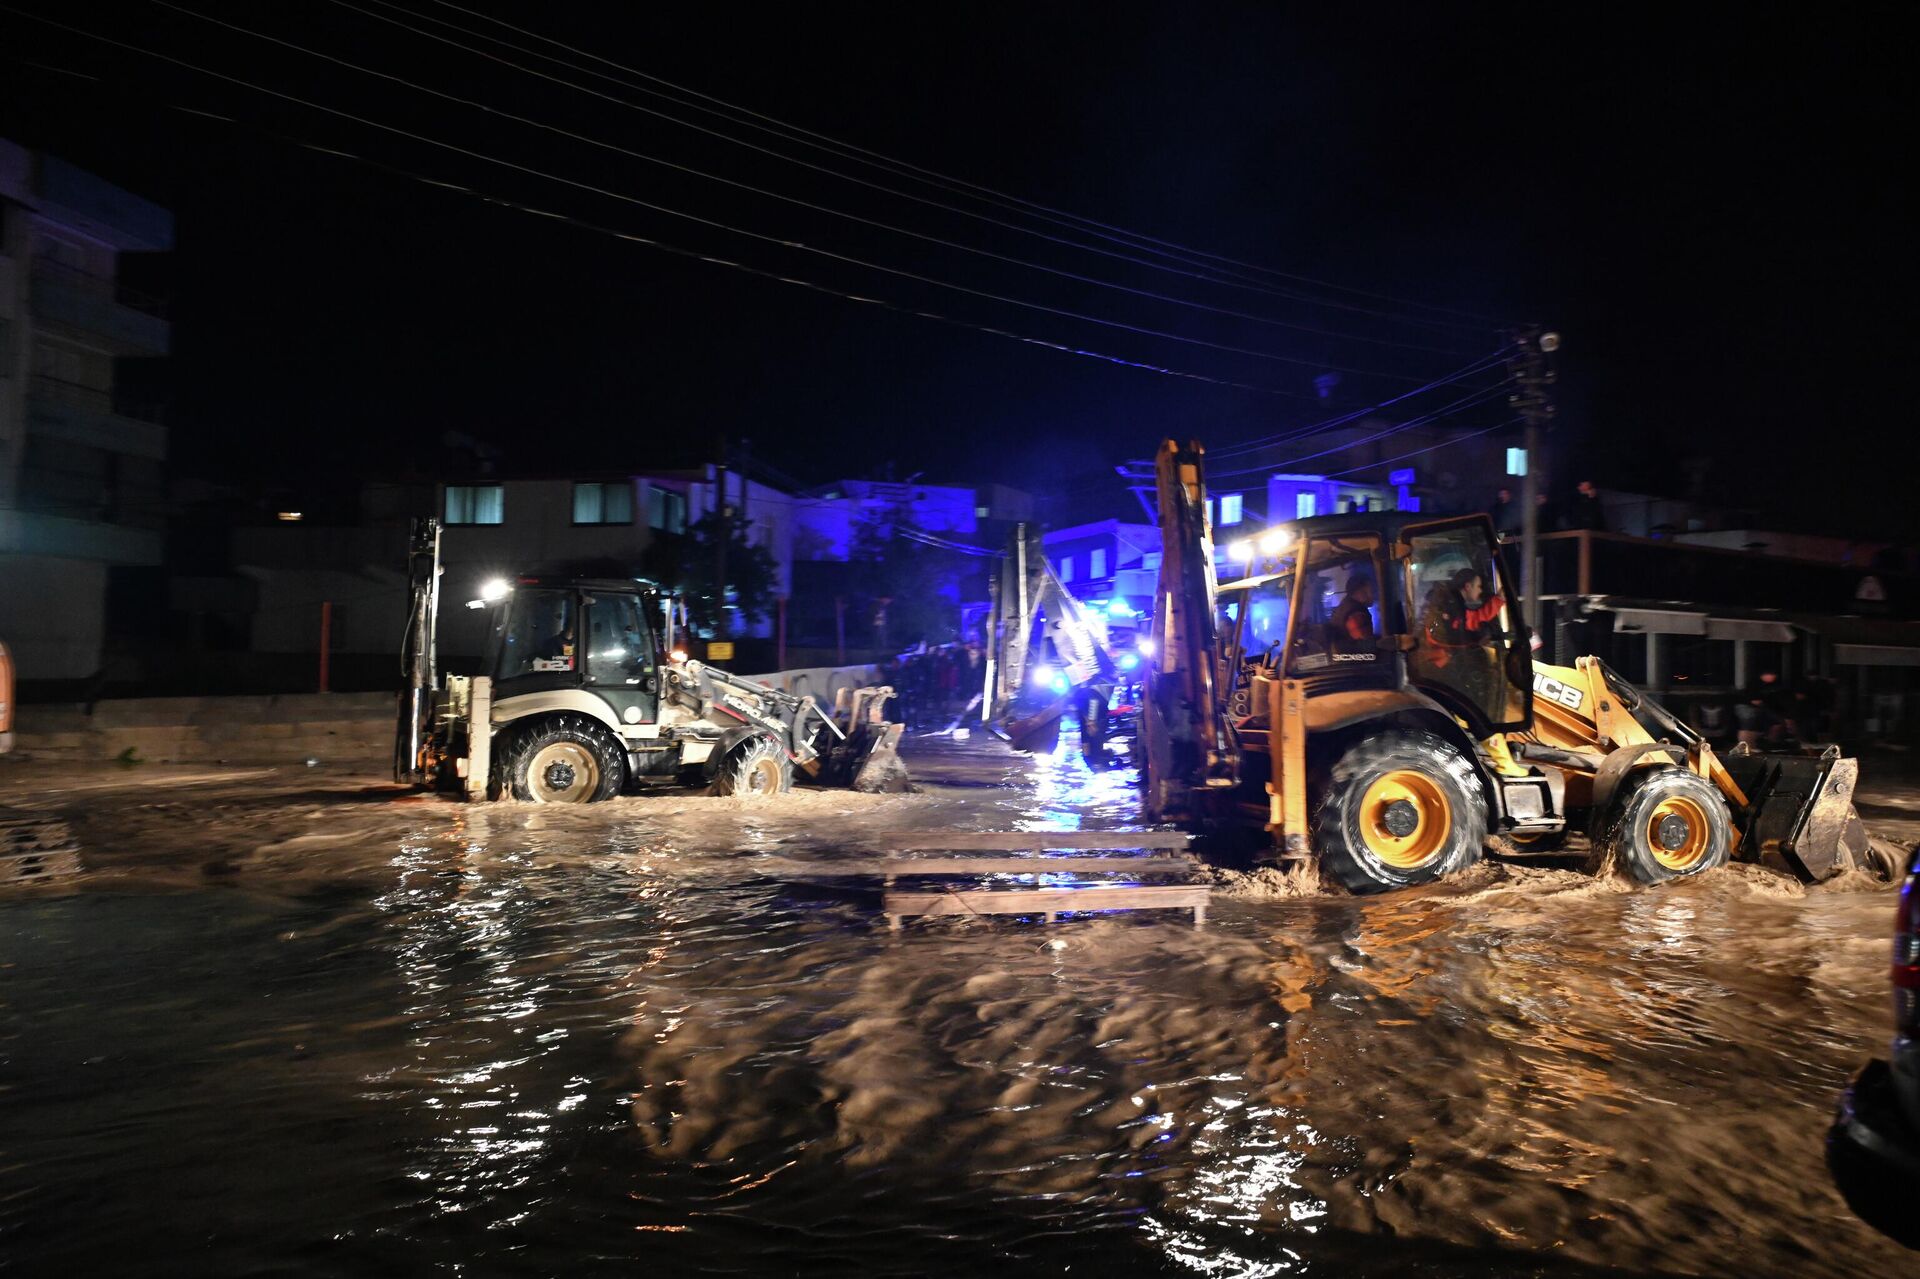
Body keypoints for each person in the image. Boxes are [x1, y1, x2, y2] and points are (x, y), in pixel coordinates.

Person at [1328, 575, 1377, 653]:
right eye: (1371, 591)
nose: (1374, 595)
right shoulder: (1355, 614)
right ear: (1359, 592)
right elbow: (1367, 647)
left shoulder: (1345, 607)